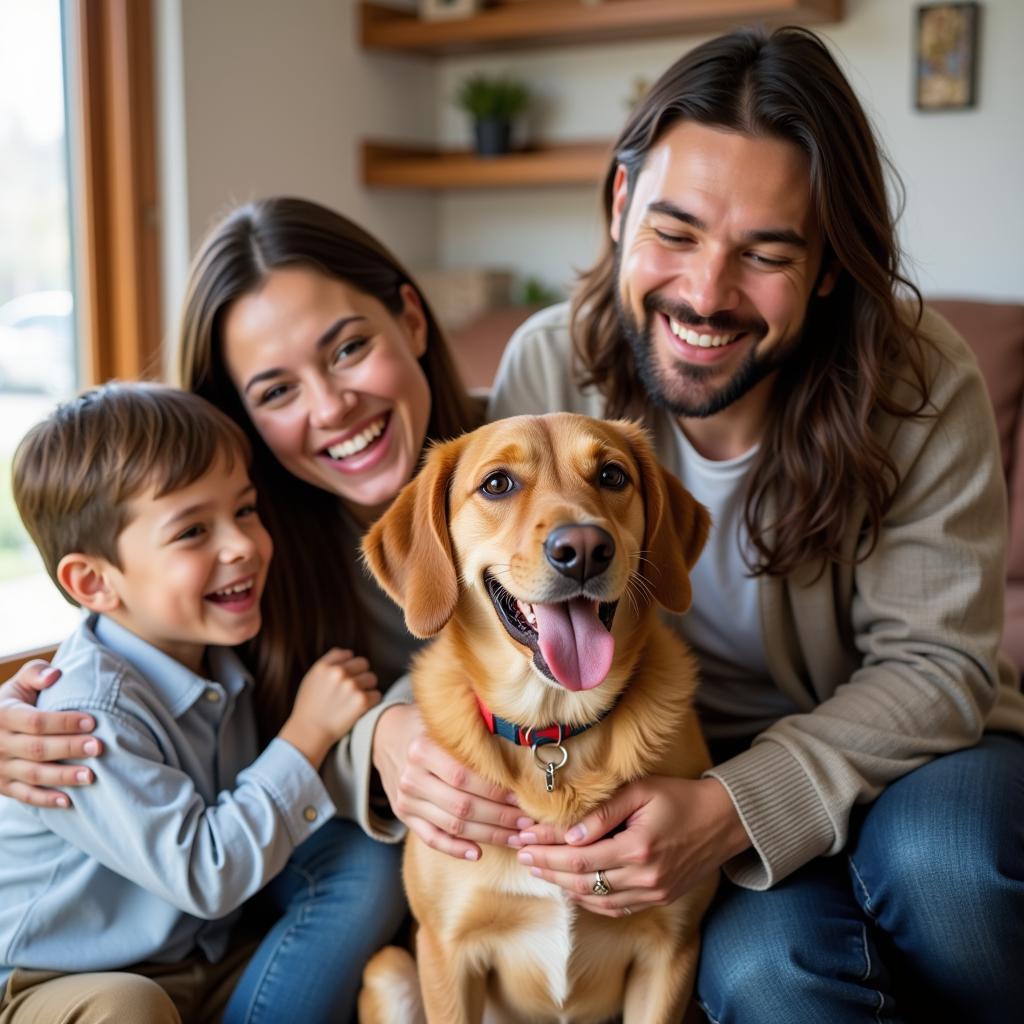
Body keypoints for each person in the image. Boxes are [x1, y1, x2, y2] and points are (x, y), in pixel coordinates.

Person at [485, 24, 1024, 1023]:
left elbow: (938, 666)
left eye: (765, 254)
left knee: (945, 861)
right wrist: (382, 743)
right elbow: (476, 597)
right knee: (767, 977)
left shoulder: (917, 379)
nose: (704, 294)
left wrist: (734, 808)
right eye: (674, 232)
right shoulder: (547, 368)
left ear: (826, 265)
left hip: (911, 760)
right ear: (619, 205)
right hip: (665, 769)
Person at [0, 197, 528, 1020]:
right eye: (277, 389)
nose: (330, 408)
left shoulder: (528, 460)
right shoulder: (244, 575)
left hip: (224, 926)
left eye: (349, 348)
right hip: (134, 948)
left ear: (412, 319)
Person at [0, 382, 380, 1023]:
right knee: (128, 1007)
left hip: (198, 954)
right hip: (59, 982)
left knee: (370, 856)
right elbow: (206, 872)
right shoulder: (86, 716)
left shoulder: (215, 656)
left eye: (247, 510)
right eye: (193, 531)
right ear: (93, 581)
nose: (242, 546)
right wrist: (306, 734)